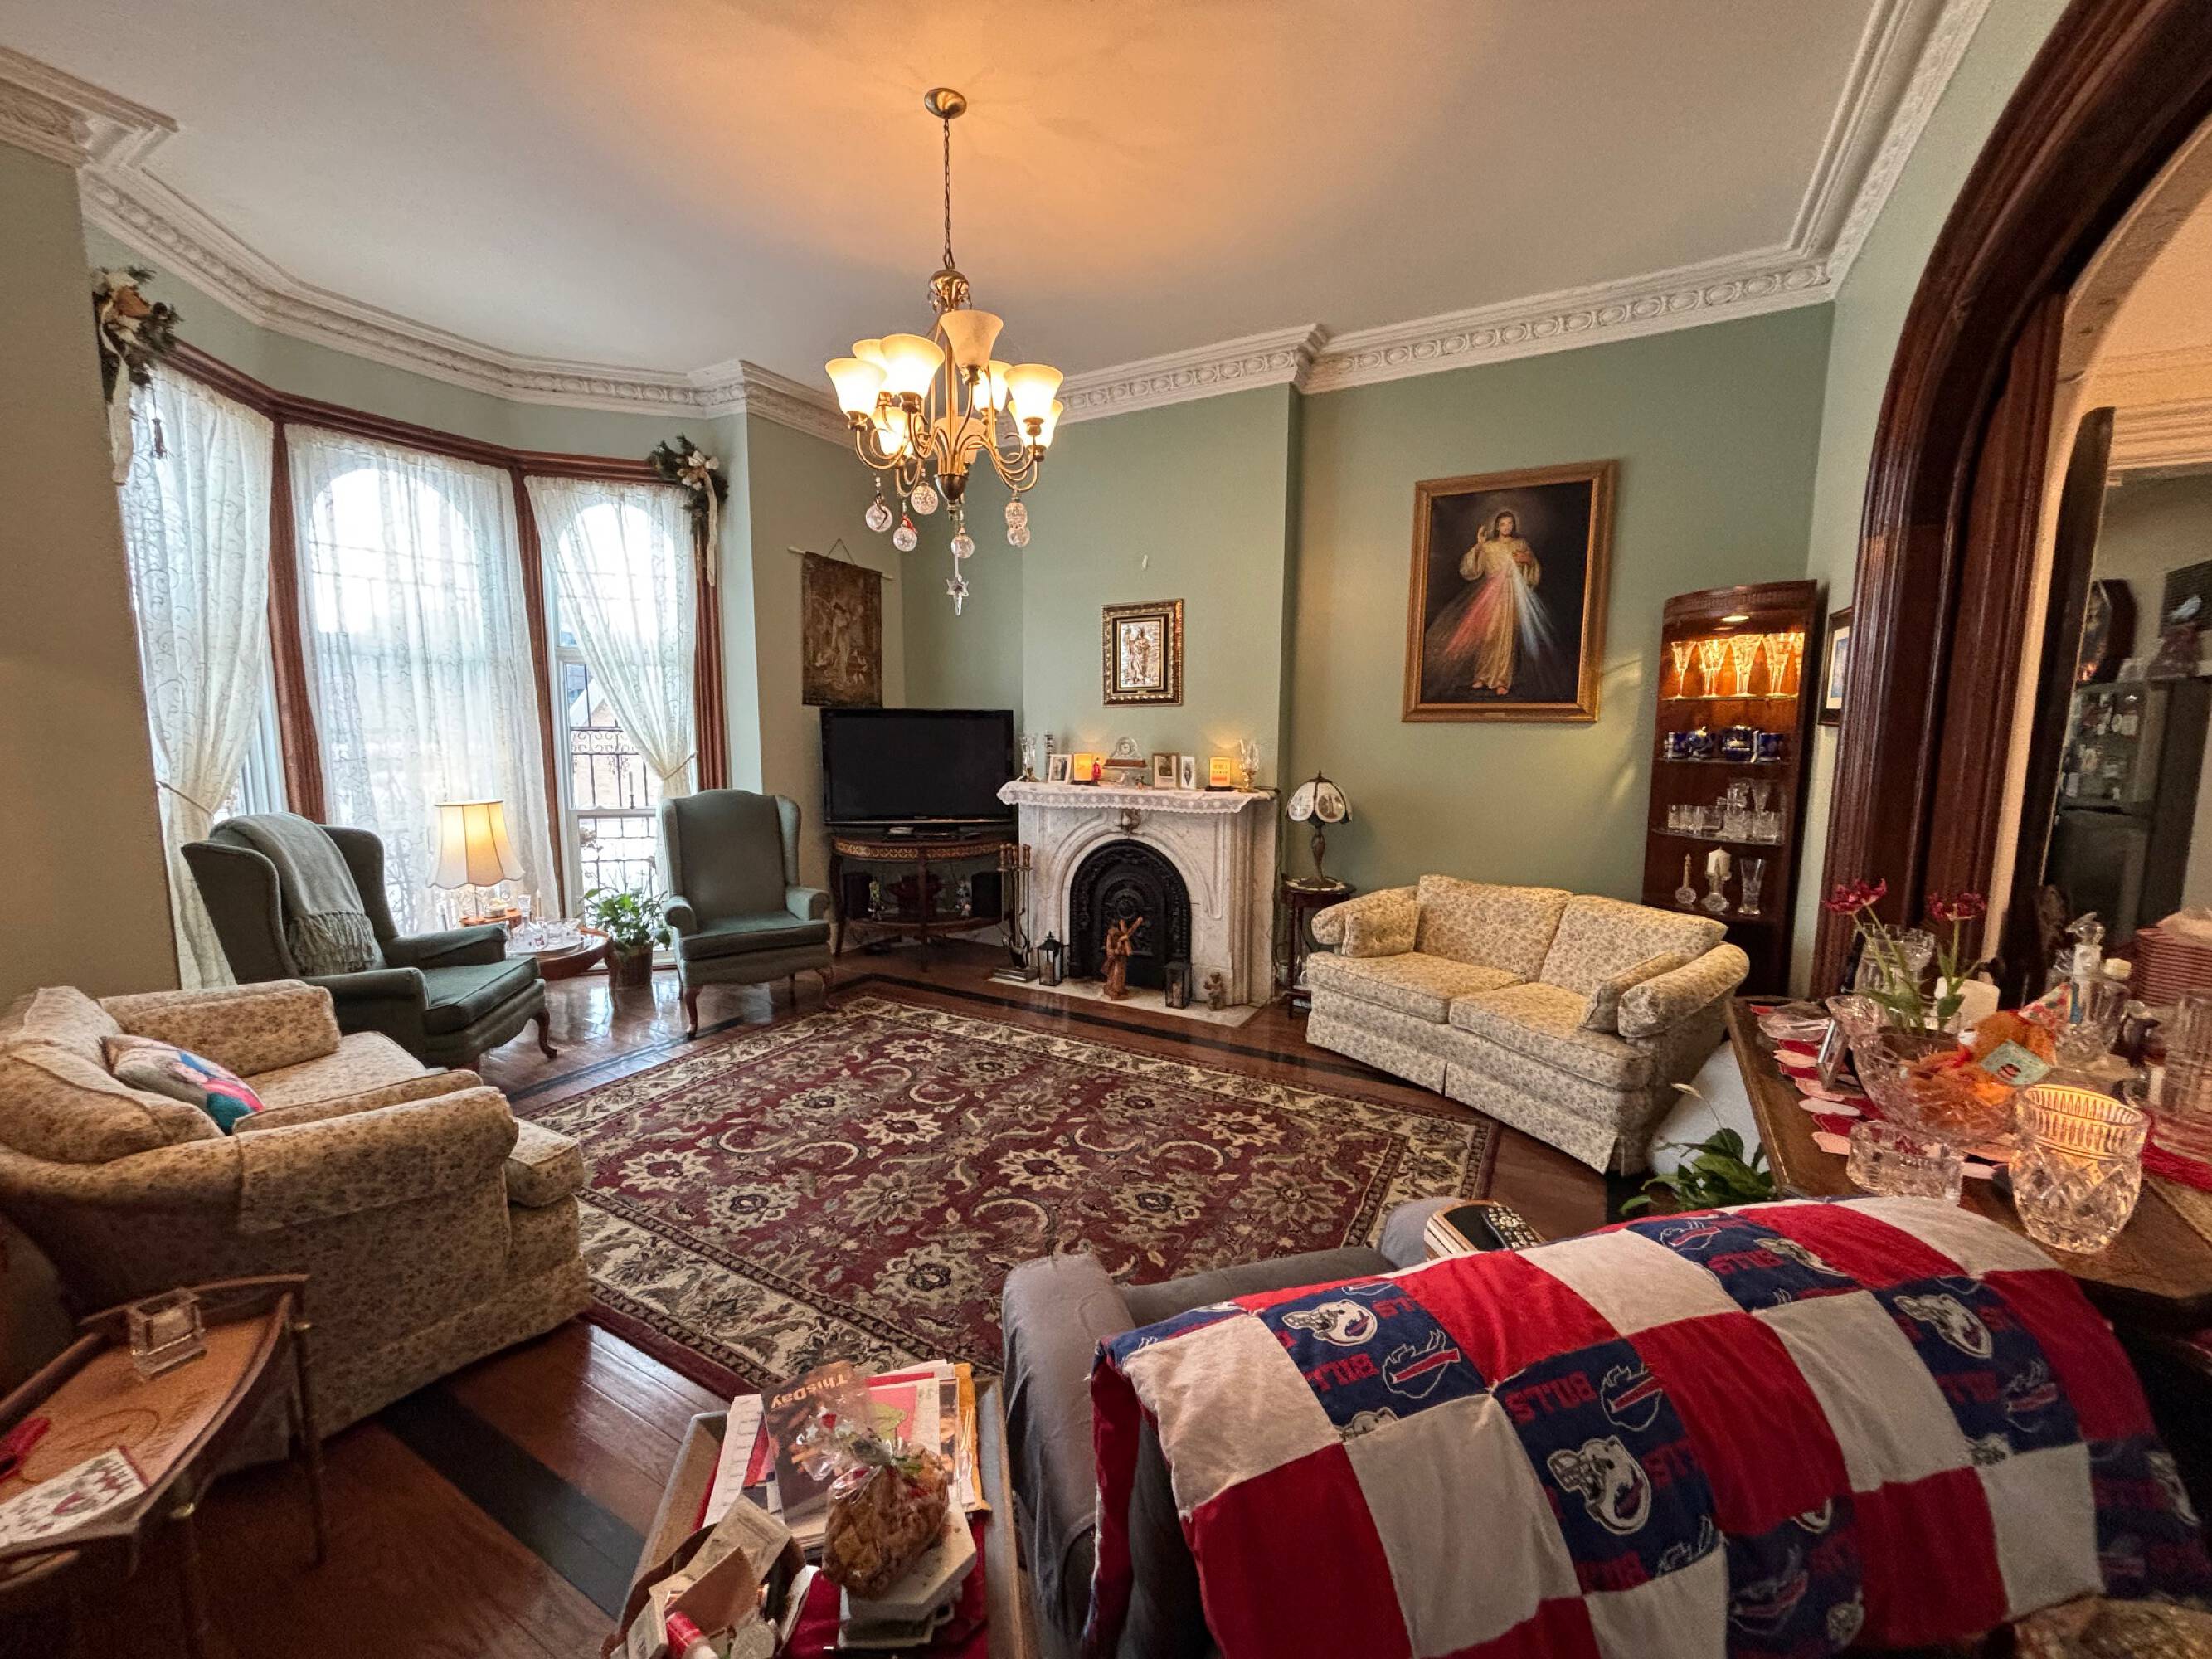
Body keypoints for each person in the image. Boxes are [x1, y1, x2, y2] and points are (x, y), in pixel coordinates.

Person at [1423, 508, 1544, 697]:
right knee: (1487, 635)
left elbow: (1533, 568)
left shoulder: (1520, 544)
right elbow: (1471, 569)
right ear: (1497, 526)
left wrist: (1527, 560)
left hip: (1511, 594)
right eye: (1503, 524)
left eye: (1510, 523)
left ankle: (1502, 680)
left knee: (1505, 636)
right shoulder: (1489, 546)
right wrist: (1479, 545)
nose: (1507, 527)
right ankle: (1483, 676)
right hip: (1490, 594)